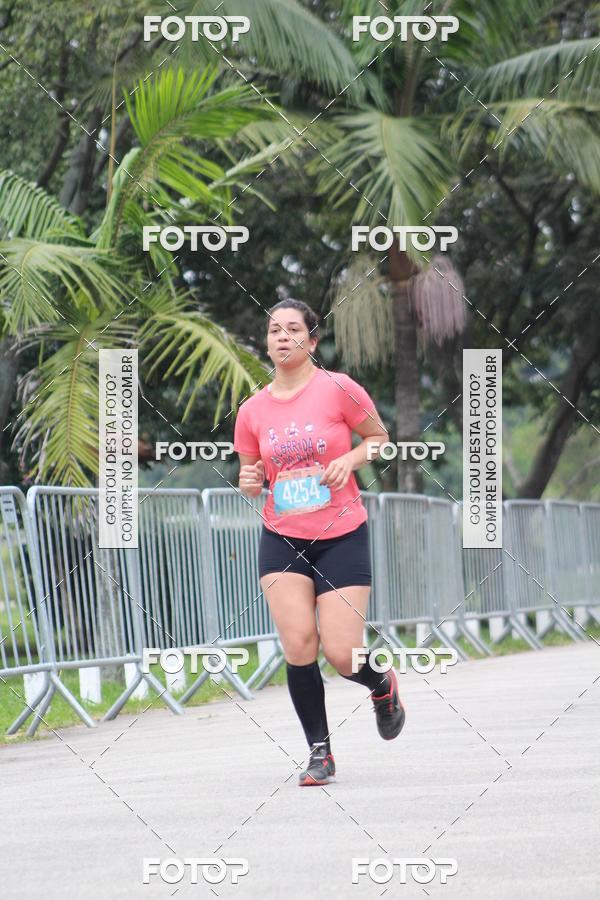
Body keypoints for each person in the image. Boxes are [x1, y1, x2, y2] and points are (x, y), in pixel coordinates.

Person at [233, 299, 405, 786]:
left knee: (341, 652)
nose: (282, 337)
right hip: (282, 537)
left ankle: (381, 684)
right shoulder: (251, 410)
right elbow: (253, 473)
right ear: (267, 342)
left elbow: (378, 438)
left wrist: (350, 462)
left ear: (312, 340)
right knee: (299, 644)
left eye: (292, 329)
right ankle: (319, 752)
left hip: (342, 534)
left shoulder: (338, 389)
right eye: (273, 330)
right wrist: (249, 481)